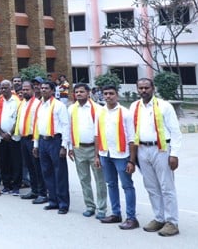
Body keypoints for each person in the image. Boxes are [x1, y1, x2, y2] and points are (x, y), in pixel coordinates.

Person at [130, 77, 183, 237]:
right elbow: (132, 131)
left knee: (167, 187)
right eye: (140, 88)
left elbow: (175, 131)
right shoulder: (134, 106)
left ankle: (172, 222)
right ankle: (159, 218)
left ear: (153, 88)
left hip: (161, 149)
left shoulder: (164, 106)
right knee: (151, 187)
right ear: (137, 89)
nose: (143, 91)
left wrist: (174, 154)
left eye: (146, 87)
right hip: (142, 149)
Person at [95, 85, 138, 230]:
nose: (108, 96)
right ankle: (115, 213)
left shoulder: (125, 113)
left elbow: (132, 138)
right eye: (105, 94)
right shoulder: (100, 112)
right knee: (111, 184)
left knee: (127, 185)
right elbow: (97, 135)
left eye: (111, 94)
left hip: (121, 155)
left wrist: (132, 160)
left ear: (117, 95)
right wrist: (97, 155)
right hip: (105, 154)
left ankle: (131, 217)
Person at [67, 83, 108, 219]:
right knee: (84, 179)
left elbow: (101, 132)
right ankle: (90, 206)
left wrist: (98, 153)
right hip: (79, 148)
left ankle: (102, 208)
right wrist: (70, 147)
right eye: (76, 92)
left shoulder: (98, 109)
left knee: (99, 180)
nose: (79, 94)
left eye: (81, 92)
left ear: (88, 92)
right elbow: (69, 129)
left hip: (94, 149)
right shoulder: (72, 109)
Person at [33, 79, 70, 214]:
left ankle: (63, 204)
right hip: (43, 141)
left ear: (53, 91)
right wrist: (36, 144)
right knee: (47, 172)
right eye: (42, 88)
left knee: (59, 173)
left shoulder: (59, 105)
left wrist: (64, 146)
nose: (43, 90)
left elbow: (66, 125)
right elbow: (37, 126)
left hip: (55, 141)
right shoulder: (40, 106)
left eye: (46, 88)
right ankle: (53, 201)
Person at [16, 78, 46, 203]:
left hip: (32, 139)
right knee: (29, 166)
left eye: (27, 89)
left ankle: (42, 193)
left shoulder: (37, 104)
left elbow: (38, 124)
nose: (24, 92)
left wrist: (36, 143)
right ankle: (34, 190)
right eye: (23, 89)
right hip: (23, 139)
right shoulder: (23, 103)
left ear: (33, 90)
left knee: (37, 167)